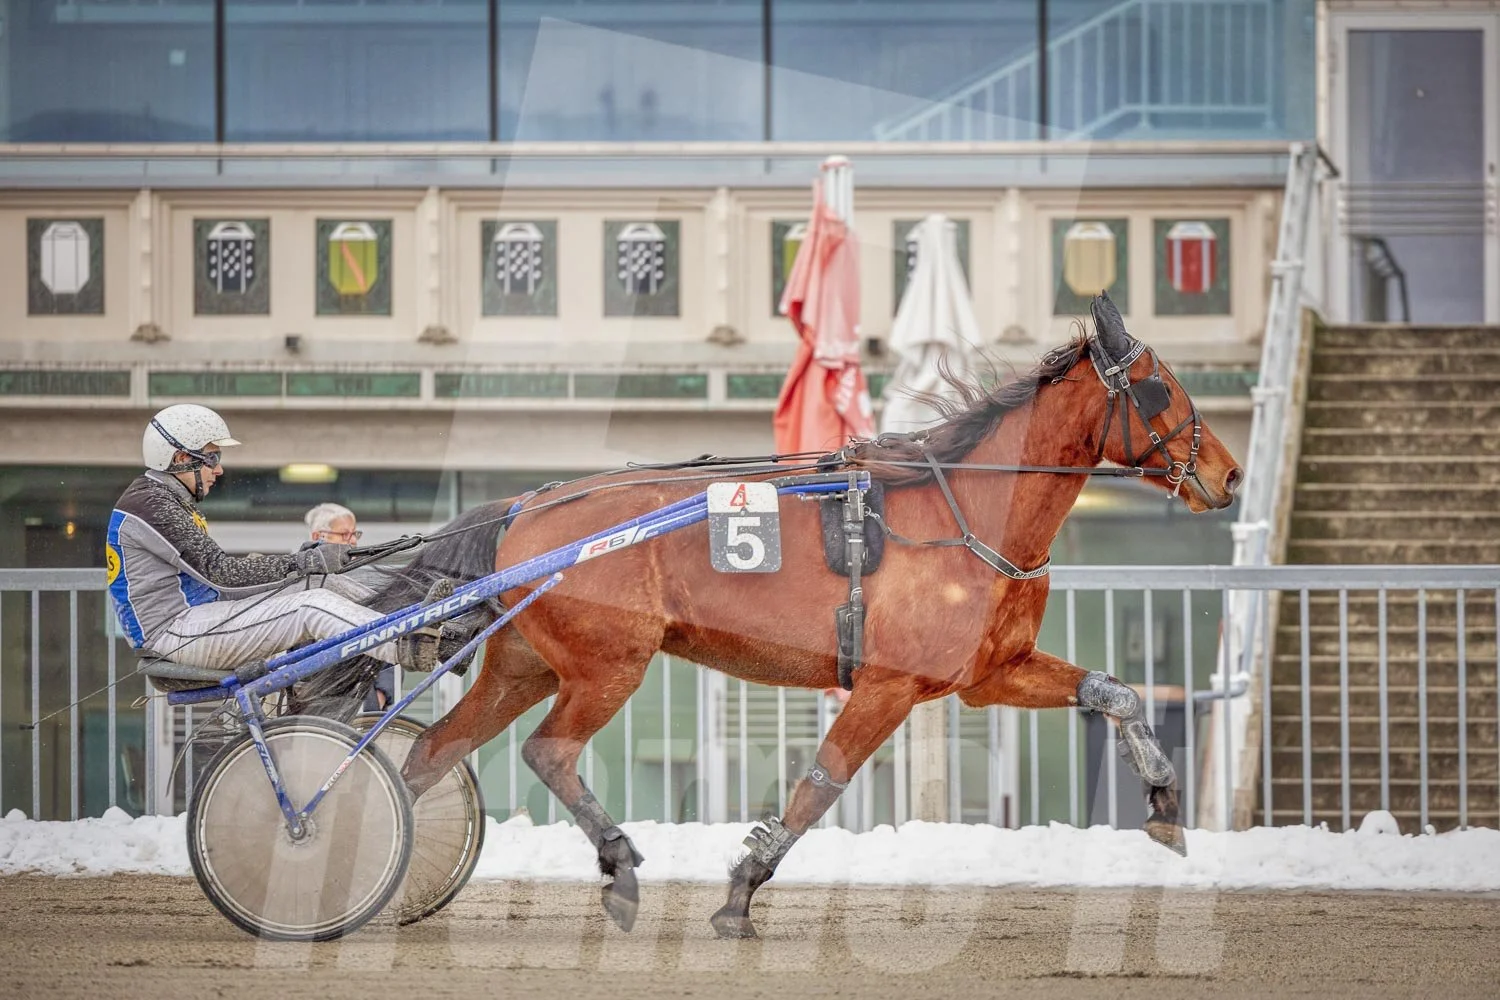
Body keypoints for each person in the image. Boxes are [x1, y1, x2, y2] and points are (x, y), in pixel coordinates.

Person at [106, 404, 443, 710]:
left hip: (200, 619)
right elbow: (222, 573)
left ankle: (419, 615)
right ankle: (409, 646)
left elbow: (223, 581)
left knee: (318, 584)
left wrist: (306, 571)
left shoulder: (164, 499)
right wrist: (301, 562)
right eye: (211, 458)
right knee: (309, 606)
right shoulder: (151, 504)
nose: (218, 469)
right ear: (180, 458)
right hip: (174, 634)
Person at [302, 502, 395, 712]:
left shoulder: (362, 580)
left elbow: (387, 633)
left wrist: (380, 695)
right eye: (344, 534)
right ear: (318, 537)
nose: (352, 541)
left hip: (365, 699)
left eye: (355, 534)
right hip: (318, 697)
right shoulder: (303, 581)